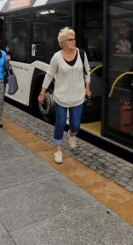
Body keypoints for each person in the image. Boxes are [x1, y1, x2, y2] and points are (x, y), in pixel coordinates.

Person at [38, 27, 91, 164]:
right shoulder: (56, 57)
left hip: (78, 96)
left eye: (74, 39)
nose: (73, 41)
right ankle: (58, 150)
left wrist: (87, 87)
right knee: (60, 123)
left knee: (75, 125)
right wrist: (42, 92)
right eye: (70, 39)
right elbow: (49, 75)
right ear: (63, 43)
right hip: (61, 97)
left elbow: (87, 70)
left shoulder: (81, 53)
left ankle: (72, 134)